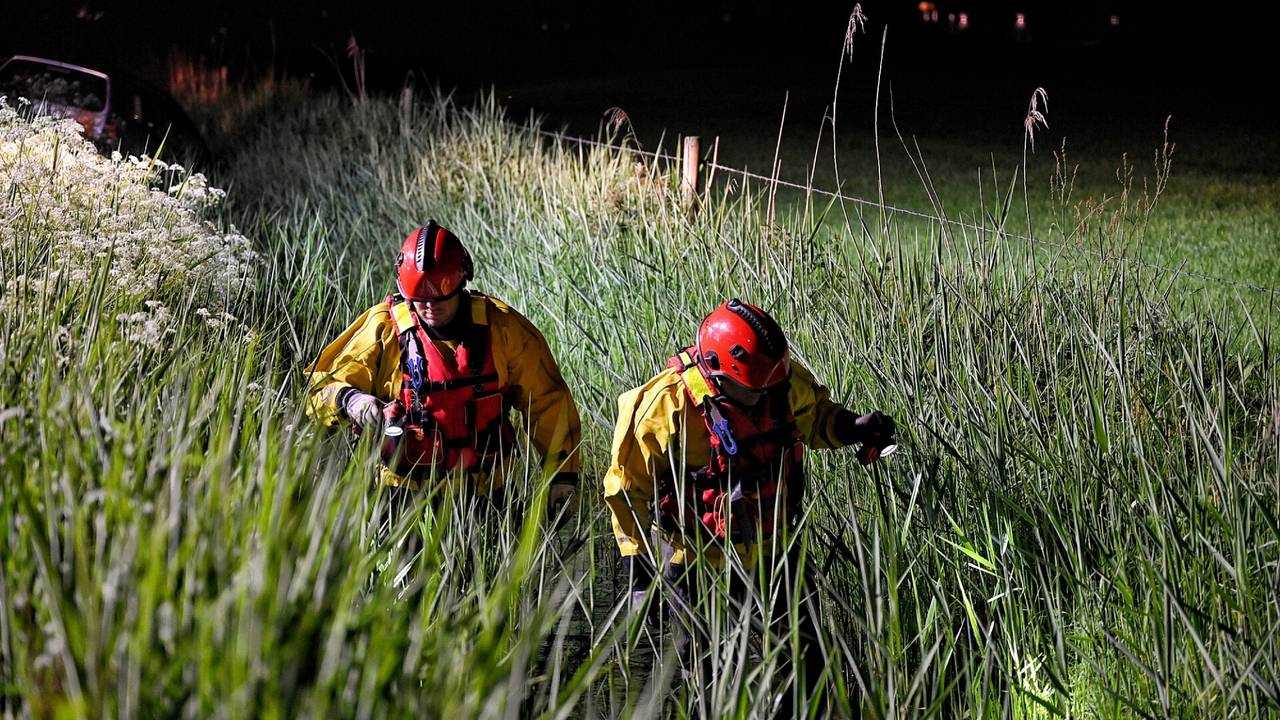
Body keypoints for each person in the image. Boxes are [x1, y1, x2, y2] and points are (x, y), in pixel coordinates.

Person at [602, 298, 895, 712]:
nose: (762, 399)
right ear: (717, 374)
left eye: (769, 389)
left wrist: (850, 427)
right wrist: (638, 571)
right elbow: (625, 489)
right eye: (752, 391)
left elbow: (813, 417)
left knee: (812, 663)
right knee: (705, 676)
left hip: (774, 549)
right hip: (695, 561)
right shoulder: (665, 406)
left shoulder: (777, 383)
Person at [306, 221, 581, 513]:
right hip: (401, 500)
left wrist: (563, 475)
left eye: (440, 298)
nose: (429, 308)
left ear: (462, 283)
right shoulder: (383, 329)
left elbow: (547, 402)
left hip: (488, 498)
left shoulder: (503, 328)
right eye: (420, 300)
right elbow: (319, 385)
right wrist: (352, 400)